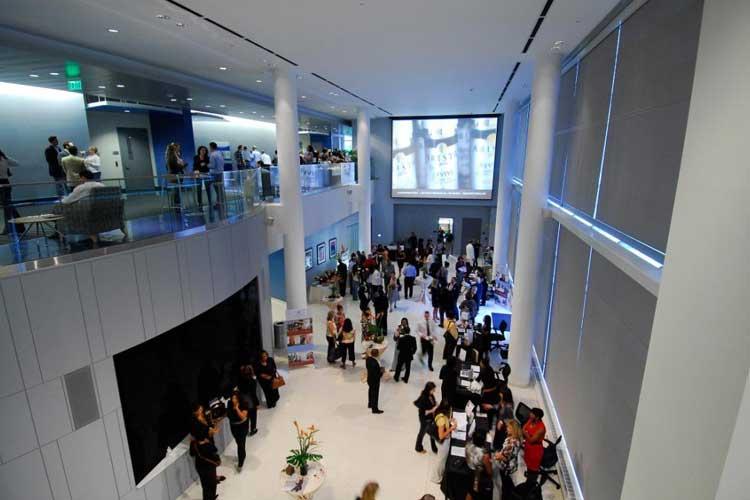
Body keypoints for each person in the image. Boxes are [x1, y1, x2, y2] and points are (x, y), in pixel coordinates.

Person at [493, 419, 523, 500]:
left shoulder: (511, 443)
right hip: (513, 463)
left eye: (508, 428)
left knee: (505, 484)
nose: (507, 429)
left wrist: (497, 456)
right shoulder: (517, 439)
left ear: (513, 429)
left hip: (506, 466)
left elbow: (506, 459)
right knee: (507, 482)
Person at [430, 400, 458, 483]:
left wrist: (449, 421)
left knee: (441, 460)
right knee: (441, 461)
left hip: (443, 441)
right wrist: (451, 428)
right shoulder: (441, 419)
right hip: (443, 443)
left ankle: (438, 475)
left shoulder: (440, 412)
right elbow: (441, 436)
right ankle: (436, 478)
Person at [466, 430, 493, 500]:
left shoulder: (468, 445)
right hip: (478, 476)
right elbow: (489, 471)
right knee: (476, 494)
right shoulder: (484, 455)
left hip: (468, 471)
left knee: (470, 491)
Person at [226, 390, 249, 470]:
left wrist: (237, 408)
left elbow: (243, 416)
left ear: (239, 398)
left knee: (240, 444)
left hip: (242, 427)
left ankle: (240, 462)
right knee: (238, 442)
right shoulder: (229, 403)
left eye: (235, 398)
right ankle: (243, 454)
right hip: (234, 427)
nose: (233, 400)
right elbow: (228, 414)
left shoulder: (244, 404)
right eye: (232, 398)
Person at [0, 149, 21, 235]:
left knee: (6, 206)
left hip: (1, 184)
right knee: (8, 206)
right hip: (6, 182)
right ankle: (17, 226)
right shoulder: (4, 158)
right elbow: (16, 163)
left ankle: (10, 228)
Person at [414, 382, 439, 454]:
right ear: (428, 389)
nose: (434, 391)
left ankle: (433, 446)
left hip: (431, 417)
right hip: (424, 419)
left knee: (432, 431)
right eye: (433, 389)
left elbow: (433, 403)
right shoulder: (423, 397)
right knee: (422, 433)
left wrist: (435, 404)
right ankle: (418, 448)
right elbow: (423, 410)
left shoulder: (431, 395)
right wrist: (432, 409)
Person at [523, 408, 547, 480]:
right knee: (528, 464)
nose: (530, 414)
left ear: (537, 417)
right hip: (528, 448)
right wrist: (526, 433)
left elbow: (531, 440)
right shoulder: (531, 420)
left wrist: (525, 433)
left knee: (533, 469)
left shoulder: (541, 428)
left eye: (532, 414)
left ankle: (531, 483)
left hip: (535, 451)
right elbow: (523, 428)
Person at [236, 364, 259, 435]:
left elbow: (239, 390)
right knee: (253, 416)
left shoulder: (240, 380)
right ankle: (253, 429)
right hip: (251, 401)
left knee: (246, 417)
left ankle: (246, 431)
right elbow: (254, 393)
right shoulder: (252, 380)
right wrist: (257, 403)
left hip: (243, 401)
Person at [394, 318, 417, 383]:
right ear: (409, 331)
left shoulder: (401, 339)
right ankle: (406, 379)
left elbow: (398, 347)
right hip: (409, 356)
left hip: (401, 355)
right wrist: (412, 353)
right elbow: (415, 348)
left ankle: (396, 377)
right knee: (408, 368)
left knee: (398, 366)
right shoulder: (413, 338)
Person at [208, 142, 226, 213]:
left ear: (211, 147)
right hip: (220, 173)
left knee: (217, 190)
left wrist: (206, 165)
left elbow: (212, 165)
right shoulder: (220, 153)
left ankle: (218, 204)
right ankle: (220, 203)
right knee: (219, 189)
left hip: (215, 174)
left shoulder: (212, 155)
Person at [365, 349, 384, 414]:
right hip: (375, 381)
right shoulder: (375, 363)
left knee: (370, 391)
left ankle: (370, 404)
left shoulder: (368, 359)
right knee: (375, 394)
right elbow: (377, 375)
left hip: (369, 379)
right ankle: (375, 409)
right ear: (377, 354)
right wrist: (381, 372)